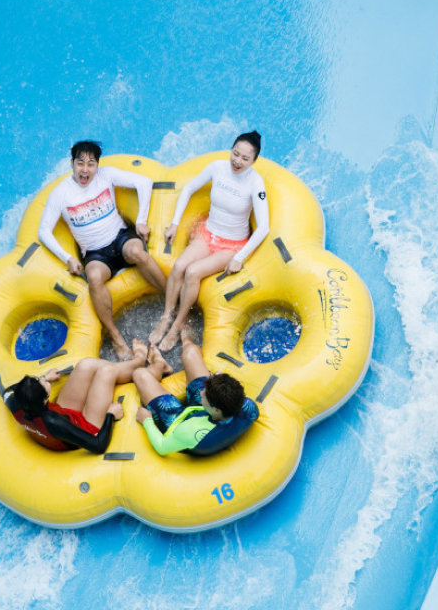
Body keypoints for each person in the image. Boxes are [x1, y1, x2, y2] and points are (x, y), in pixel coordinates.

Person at [38, 141, 167, 360]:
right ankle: (116, 338)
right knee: (95, 277)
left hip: (120, 238)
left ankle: (171, 304)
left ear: (97, 165)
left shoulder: (106, 175)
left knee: (137, 252)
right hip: (95, 253)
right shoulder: (61, 193)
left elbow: (143, 182)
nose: (85, 170)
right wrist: (68, 257)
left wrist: (141, 221)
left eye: (90, 164)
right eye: (80, 163)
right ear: (72, 164)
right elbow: (43, 231)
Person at [149, 131, 269, 351]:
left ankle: (177, 326)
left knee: (193, 272)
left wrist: (240, 258)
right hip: (208, 233)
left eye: (245, 158)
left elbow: (263, 227)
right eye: (235, 154)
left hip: (231, 245)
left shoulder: (255, 183)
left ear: (254, 161)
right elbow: (188, 189)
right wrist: (175, 223)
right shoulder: (217, 167)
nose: (237, 161)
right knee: (179, 266)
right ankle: (166, 317)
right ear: (231, 150)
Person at [3, 340, 149, 454]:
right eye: (42, 382)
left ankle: (133, 365)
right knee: (106, 372)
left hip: (66, 413)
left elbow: (6, 391)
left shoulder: (16, 402)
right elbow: (98, 445)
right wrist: (110, 415)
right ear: (45, 398)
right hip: (87, 427)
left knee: (85, 365)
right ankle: (139, 361)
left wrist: (45, 377)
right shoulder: (53, 422)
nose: (43, 380)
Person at [134, 327, 259, 456]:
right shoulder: (248, 407)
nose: (200, 393)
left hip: (178, 422)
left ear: (216, 410)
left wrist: (147, 421)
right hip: (204, 412)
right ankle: (185, 336)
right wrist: (219, 381)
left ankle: (159, 364)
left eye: (204, 394)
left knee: (140, 374)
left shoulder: (189, 432)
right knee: (190, 352)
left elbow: (161, 446)